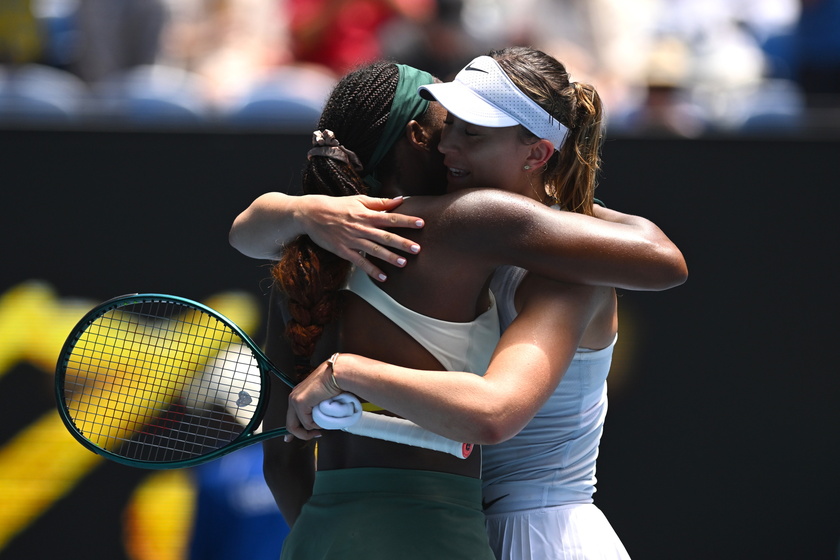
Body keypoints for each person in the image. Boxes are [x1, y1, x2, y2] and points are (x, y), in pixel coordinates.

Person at [231, 56, 686, 559]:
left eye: (472, 134)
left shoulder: (560, 263)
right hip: (461, 531)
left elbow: (666, 262)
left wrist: (299, 213)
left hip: (543, 537)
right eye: (448, 128)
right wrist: (305, 209)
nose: (447, 146)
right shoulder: (474, 230)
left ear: (537, 153)